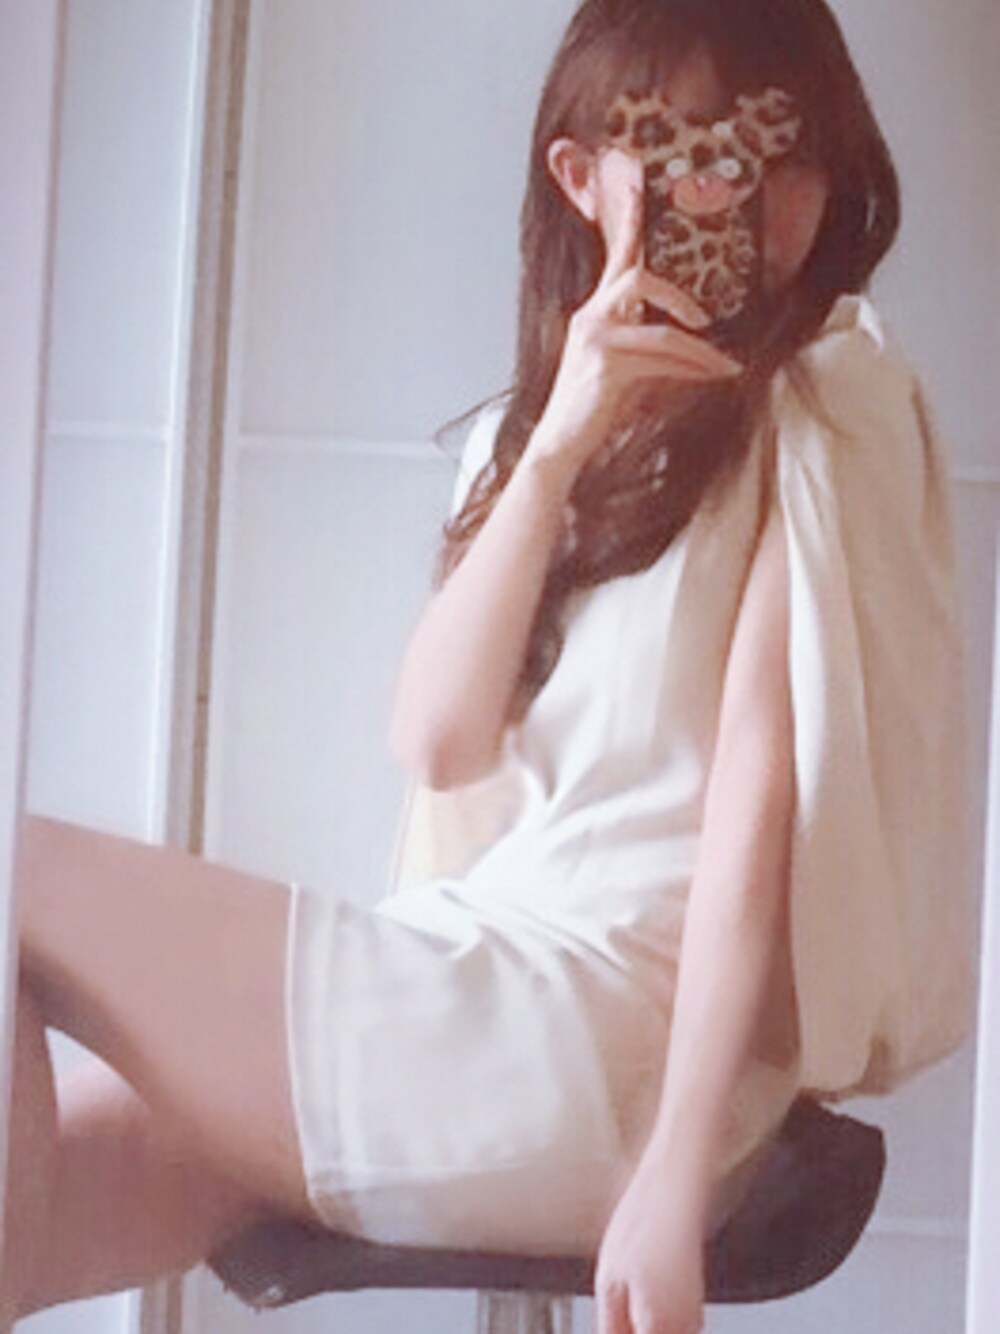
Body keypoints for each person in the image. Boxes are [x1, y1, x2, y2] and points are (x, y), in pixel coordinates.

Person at [3, 0, 973, 1330]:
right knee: (30, 1206)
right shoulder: (526, 446)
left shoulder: (824, 401)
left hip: (606, 1054)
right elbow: (439, 739)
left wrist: (675, 1165)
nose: (738, 191)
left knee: (16, 875)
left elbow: (763, 806)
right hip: (479, 980)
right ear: (584, 175)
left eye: (786, 147)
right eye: (685, 146)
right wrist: (561, 441)